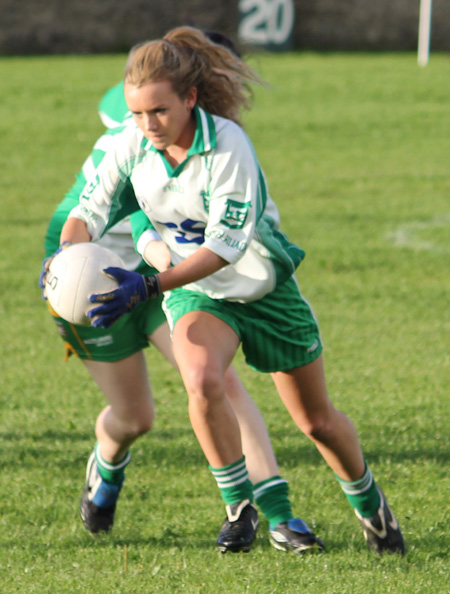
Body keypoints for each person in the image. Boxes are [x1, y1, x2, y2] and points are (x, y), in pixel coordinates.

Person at [58, 26, 405, 556]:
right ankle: (239, 508)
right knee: (200, 378)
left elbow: (224, 248)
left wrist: (148, 283)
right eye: (137, 114)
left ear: (190, 99)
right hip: (199, 296)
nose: (147, 125)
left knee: (317, 422)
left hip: (264, 290)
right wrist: (67, 257)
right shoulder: (133, 144)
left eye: (159, 112)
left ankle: (369, 503)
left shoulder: (228, 146)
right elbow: (89, 211)